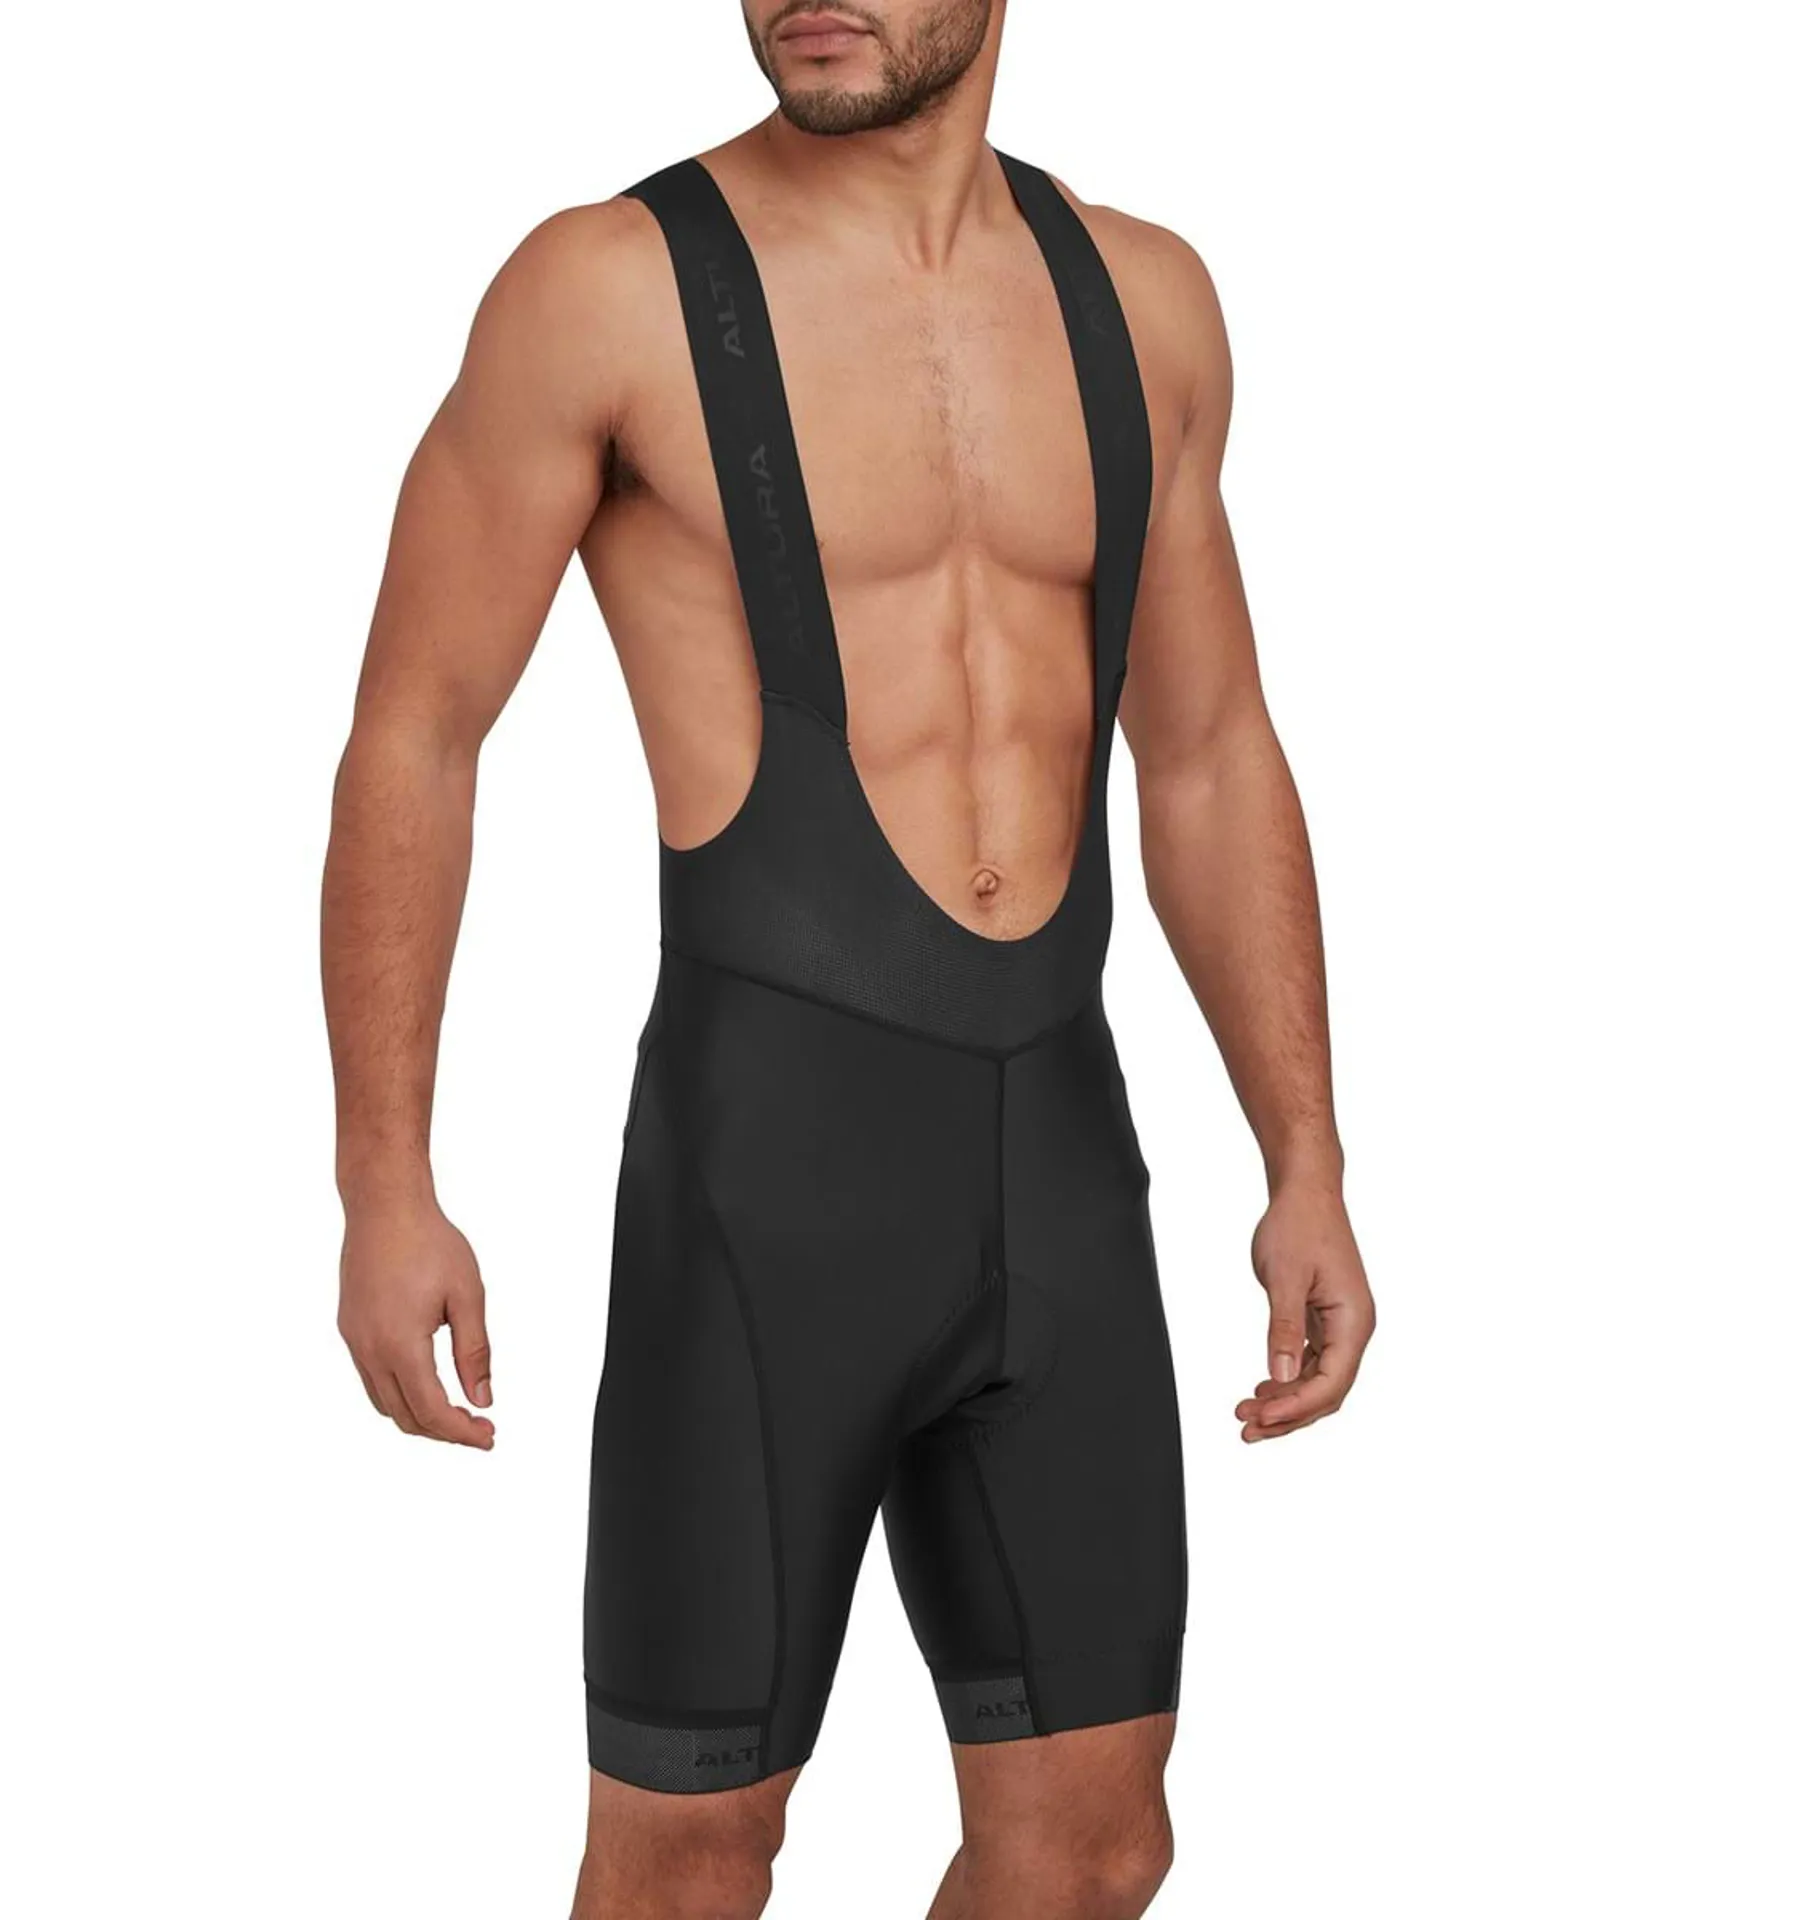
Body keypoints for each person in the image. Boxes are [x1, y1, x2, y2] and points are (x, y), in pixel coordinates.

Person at [320, 4, 1377, 1913]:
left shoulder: (1145, 302)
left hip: (1058, 1172)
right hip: (763, 1190)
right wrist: (384, 1180)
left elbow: (1211, 750)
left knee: (1093, 1848)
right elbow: (419, 727)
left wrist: (1305, 1154)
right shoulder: (605, 292)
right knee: (688, 1860)